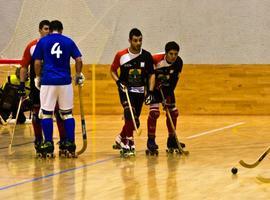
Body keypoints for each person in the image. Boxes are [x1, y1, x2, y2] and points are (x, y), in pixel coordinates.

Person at [33, 20, 84, 158]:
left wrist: (38, 77)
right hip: (65, 82)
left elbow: (37, 62)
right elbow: (78, 60)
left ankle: (48, 144)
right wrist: (78, 74)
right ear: (61, 30)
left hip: (48, 81)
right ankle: (70, 143)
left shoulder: (43, 42)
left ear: (50, 30)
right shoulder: (68, 41)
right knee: (67, 114)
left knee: (46, 114)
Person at [19, 20, 66, 156]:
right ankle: (39, 140)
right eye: (45, 29)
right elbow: (24, 66)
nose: (47, 31)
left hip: (55, 83)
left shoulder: (58, 44)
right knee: (37, 113)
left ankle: (63, 142)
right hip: (38, 86)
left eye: (49, 29)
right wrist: (22, 85)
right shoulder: (32, 46)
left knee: (59, 113)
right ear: (39, 30)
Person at [110, 28, 155, 156]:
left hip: (140, 92)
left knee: (135, 120)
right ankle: (129, 141)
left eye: (140, 40)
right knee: (129, 113)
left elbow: (152, 75)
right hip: (125, 90)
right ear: (130, 40)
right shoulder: (121, 55)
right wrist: (118, 82)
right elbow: (112, 70)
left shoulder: (146, 56)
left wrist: (150, 92)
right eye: (135, 40)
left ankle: (120, 137)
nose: (138, 43)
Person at [146, 41, 184, 154]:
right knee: (154, 113)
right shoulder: (155, 59)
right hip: (153, 88)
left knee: (173, 112)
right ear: (166, 53)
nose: (173, 57)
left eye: (175, 54)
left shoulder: (178, 62)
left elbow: (174, 82)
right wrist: (150, 91)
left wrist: (166, 97)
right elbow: (147, 75)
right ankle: (151, 140)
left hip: (167, 88)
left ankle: (172, 140)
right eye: (171, 54)